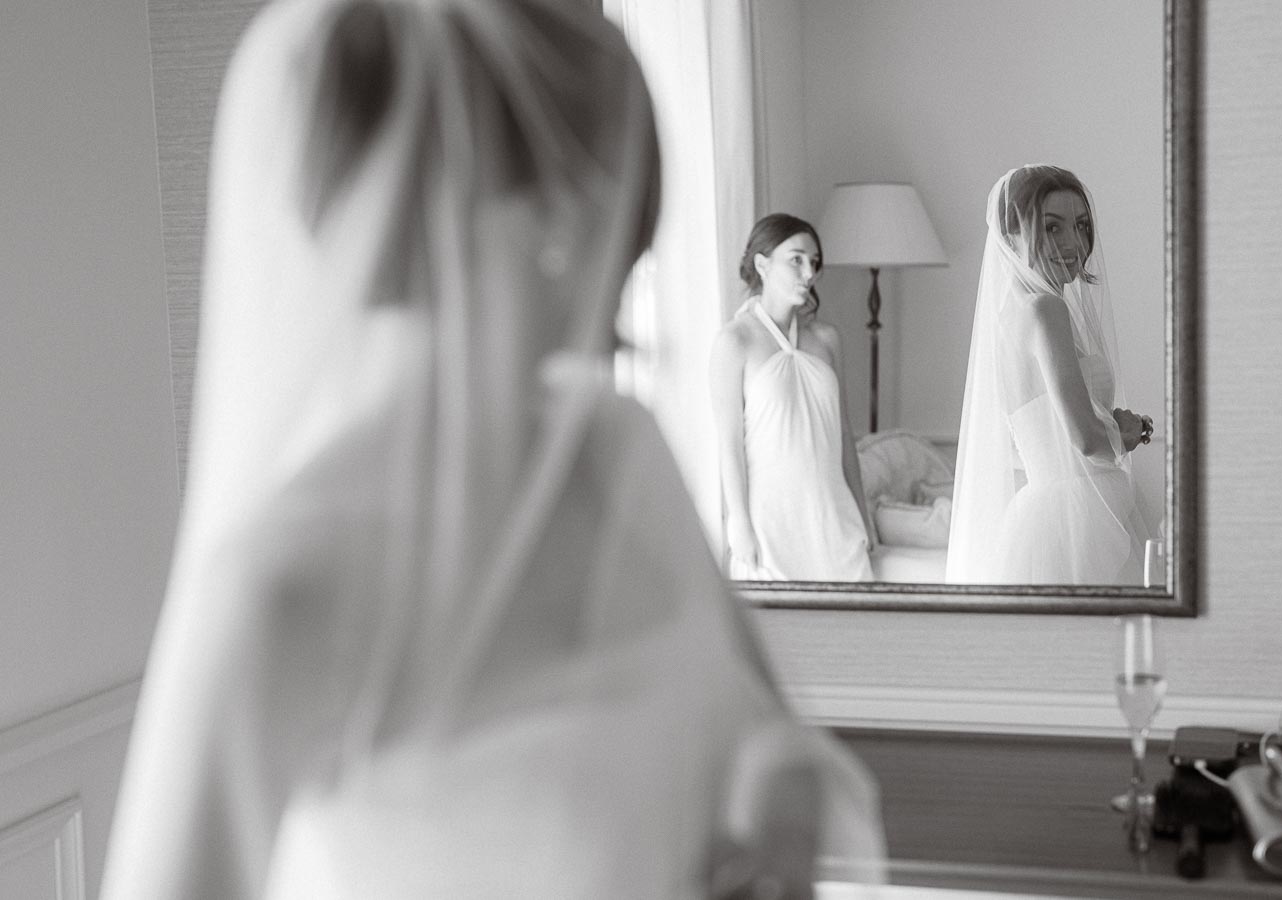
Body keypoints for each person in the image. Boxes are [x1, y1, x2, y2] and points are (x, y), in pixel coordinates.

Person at [99, 1, 884, 897]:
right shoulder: (282, 588)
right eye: (597, 221)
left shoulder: (617, 450)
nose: (615, 280)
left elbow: (762, 727)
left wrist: (779, 820)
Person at [946, 165, 1152, 585]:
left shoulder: (1012, 314)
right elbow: (1086, 440)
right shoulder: (1045, 309)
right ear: (1011, 237)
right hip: (1077, 518)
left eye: (1080, 225)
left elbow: (1047, 423)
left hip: (1061, 513)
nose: (1072, 243)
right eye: (1051, 228)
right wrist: (1128, 431)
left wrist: (1110, 423)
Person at [709, 214, 876, 583]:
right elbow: (729, 445)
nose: (809, 272)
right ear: (762, 264)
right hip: (770, 529)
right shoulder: (734, 342)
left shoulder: (827, 339)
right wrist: (739, 523)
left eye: (814, 262)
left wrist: (864, 518)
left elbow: (844, 436)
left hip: (833, 521)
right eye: (796, 259)